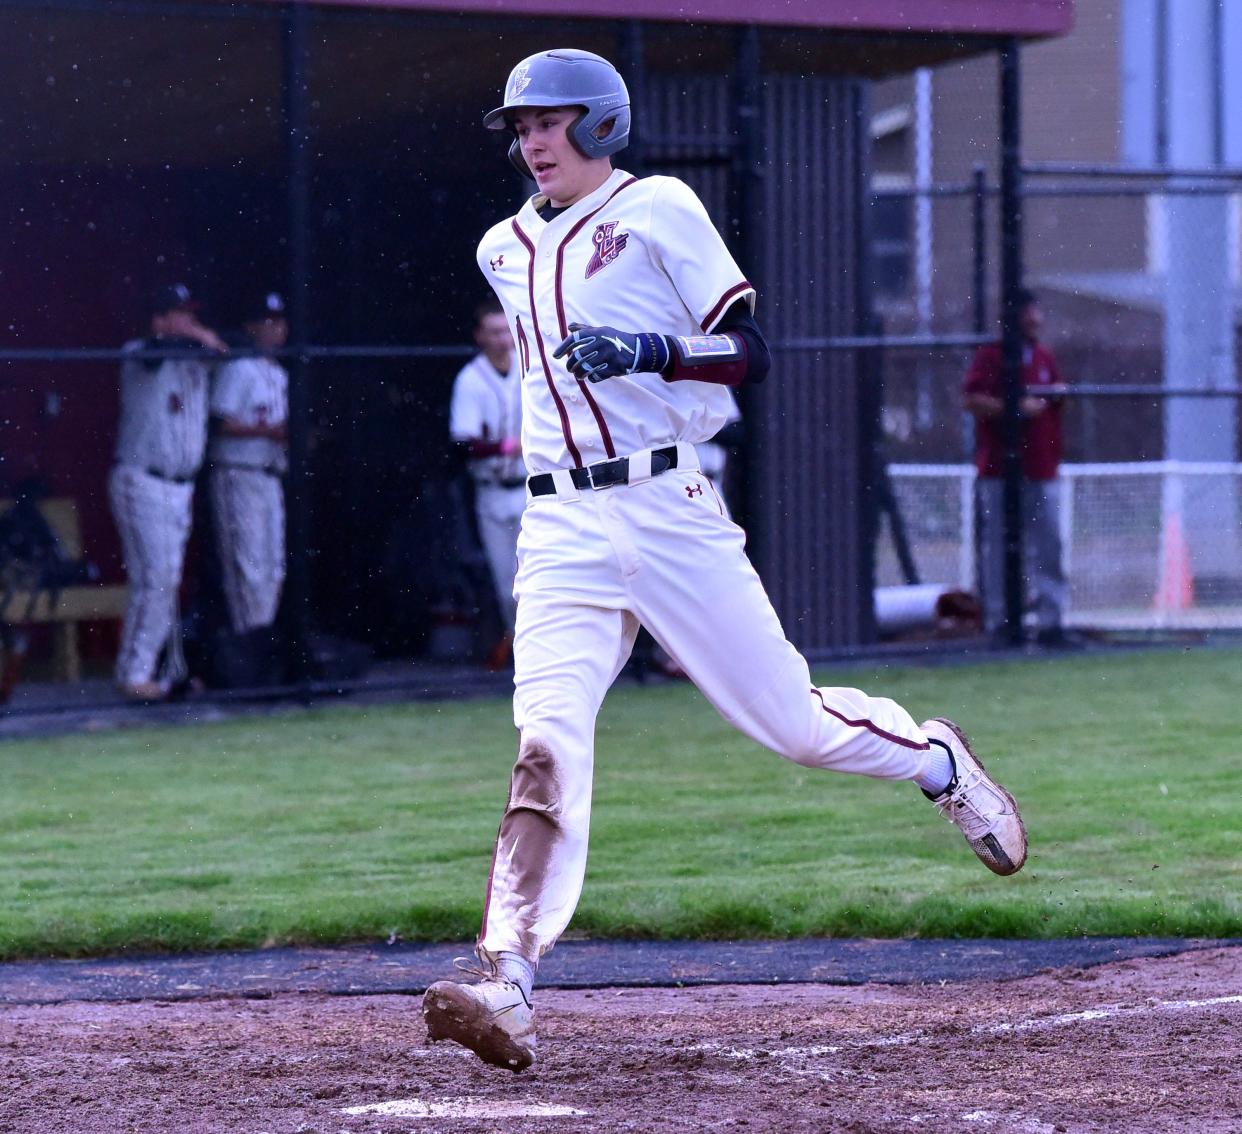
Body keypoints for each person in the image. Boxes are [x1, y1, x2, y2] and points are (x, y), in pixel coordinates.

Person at [422, 48, 1028, 1073]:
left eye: (550, 121)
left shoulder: (657, 207)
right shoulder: (503, 248)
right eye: (520, 126)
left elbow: (751, 352)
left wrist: (652, 350)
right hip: (557, 527)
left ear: (601, 124)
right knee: (545, 743)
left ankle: (936, 761)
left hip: (666, 504)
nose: (531, 141)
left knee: (790, 724)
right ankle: (507, 979)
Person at [110, 283, 226, 701]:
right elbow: (153, 356)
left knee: (168, 581)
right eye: (178, 313)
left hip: (180, 485)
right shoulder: (139, 352)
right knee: (155, 581)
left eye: (190, 313)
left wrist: (198, 337)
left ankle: (160, 669)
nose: (189, 320)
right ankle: (133, 672)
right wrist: (186, 334)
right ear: (158, 319)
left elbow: (227, 353)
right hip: (143, 479)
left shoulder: (195, 355)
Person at [962, 289, 1069, 645]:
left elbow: (1053, 402)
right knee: (999, 550)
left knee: (1049, 546)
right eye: (1030, 313)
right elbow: (972, 400)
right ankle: (1000, 623)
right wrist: (1014, 409)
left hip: (1042, 470)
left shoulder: (1043, 357)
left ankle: (1050, 623)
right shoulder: (991, 357)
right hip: (998, 473)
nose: (1037, 320)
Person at [208, 291, 289, 646]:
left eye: (279, 322)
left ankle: (262, 648)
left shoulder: (278, 373)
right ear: (251, 327)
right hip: (238, 472)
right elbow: (219, 423)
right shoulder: (239, 367)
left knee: (273, 569)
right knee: (248, 568)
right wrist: (268, 431)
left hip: (270, 474)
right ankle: (248, 649)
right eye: (267, 322)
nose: (276, 329)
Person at [449, 298, 526, 669]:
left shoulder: (531, 369)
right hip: (493, 493)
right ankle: (521, 654)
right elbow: (463, 443)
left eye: (506, 329)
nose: (502, 338)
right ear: (480, 336)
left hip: (533, 488)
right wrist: (510, 445)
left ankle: (538, 657)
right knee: (506, 585)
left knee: (538, 578)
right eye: (494, 331)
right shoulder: (471, 378)